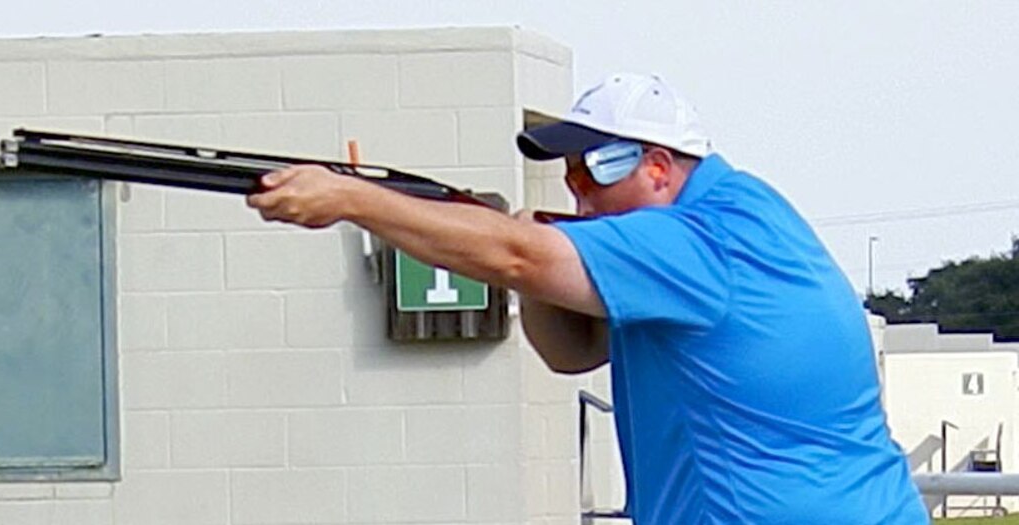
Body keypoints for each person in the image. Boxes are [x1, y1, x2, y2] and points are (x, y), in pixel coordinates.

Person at [247, 72, 928, 524]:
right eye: (568, 168)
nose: (577, 187)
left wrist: (353, 198)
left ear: (660, 168)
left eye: (597, 166)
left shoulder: (695, 240)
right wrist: (530, 256)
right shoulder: (736, 217)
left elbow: (518, 255)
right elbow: (570, 350)